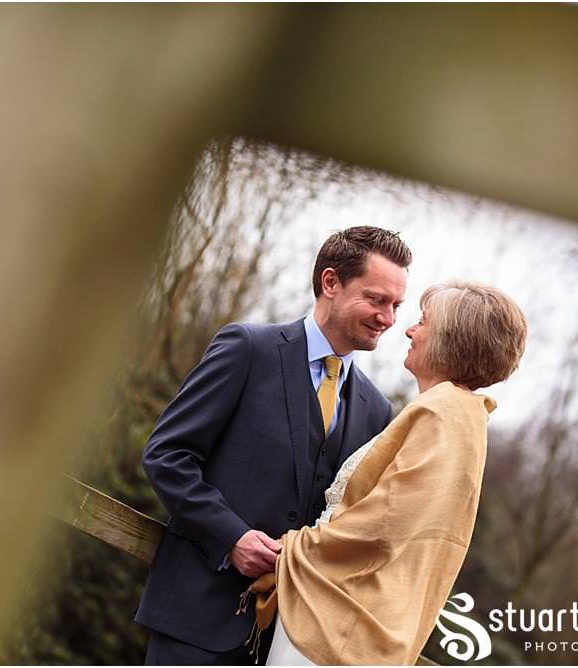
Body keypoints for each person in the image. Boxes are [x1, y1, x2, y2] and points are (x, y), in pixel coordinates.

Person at [135, 227, 413, 665]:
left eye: (396, 305)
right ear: (330, 283)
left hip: (285, 645)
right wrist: (232, 537)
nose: (389, 318)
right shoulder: (247, 349)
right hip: (195, 618)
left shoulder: (375, 409)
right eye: (377, 299)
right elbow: (167, 455)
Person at [247, 281, 529, 666]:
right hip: (335, 611)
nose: (410, 330)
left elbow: (389, 519)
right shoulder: (454, 412)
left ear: (451, 339)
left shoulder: (444, 412)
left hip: (338, 625)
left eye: (423, 322)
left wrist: (297, 548)